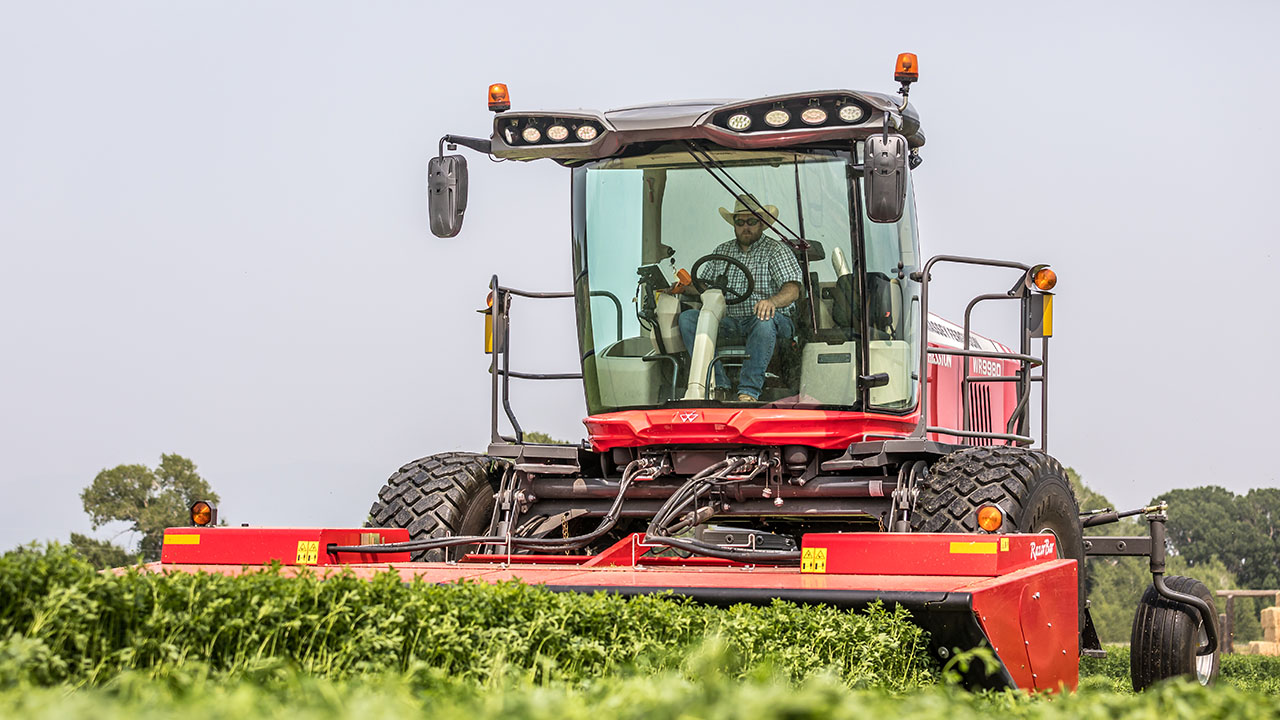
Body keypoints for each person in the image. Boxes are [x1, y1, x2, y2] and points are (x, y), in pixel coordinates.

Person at [678, 194, 803, 402]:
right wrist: (680, 288)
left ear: (761, 223)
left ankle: (748, 391)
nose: (746, 227)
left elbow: (792, 289)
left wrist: (771, 302)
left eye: (752, 222)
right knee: (689, 319)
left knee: (764, 319)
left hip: (771, 319)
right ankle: (718, 385)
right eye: (740, 222)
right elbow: (704, 286)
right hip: (731, 321)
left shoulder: (775, 250)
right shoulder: (722, 251)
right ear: (734, 225)